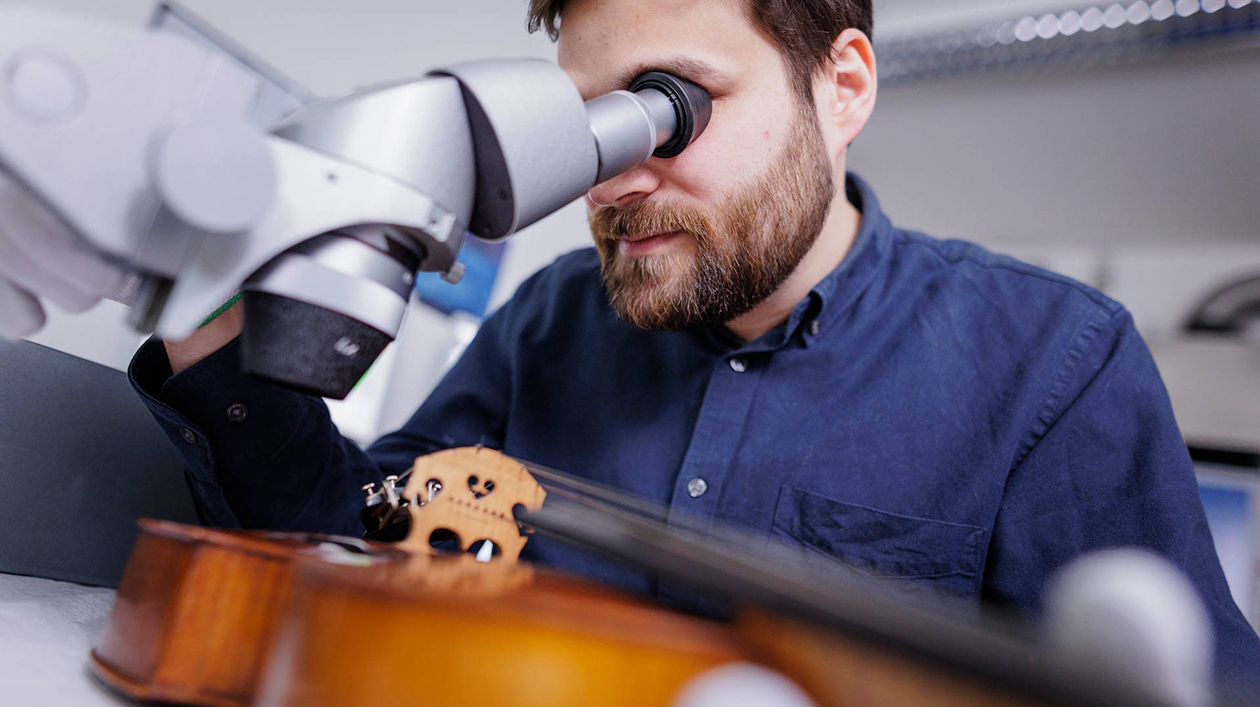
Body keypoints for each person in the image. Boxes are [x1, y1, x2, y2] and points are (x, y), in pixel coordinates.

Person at [1, 0, 1256, 694]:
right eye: (589, 126)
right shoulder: (553, 315)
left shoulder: (1053, 359)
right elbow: (337, 529)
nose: (614, 178)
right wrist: (215, 308)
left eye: (671, 103)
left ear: (845, 86)